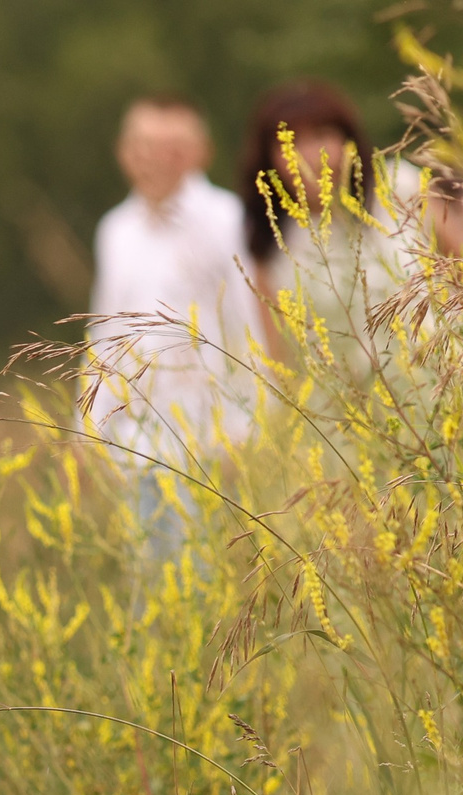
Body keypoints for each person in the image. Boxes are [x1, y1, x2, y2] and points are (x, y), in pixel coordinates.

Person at [87, 95, 261, 575]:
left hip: (210, 446)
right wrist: (90, 425)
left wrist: (243, 433)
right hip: (136, 446)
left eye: (172, 146)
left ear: (200, 152)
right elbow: (104, 329)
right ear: (123, 152)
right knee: (148, 587)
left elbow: (248, 327)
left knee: (209, 589)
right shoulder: (115, 230)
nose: (156, 158)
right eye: (143, 145)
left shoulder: (227, 220)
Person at [239, 80, 405, 356]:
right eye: (288, 143)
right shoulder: (274, 243)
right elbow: (283, 355)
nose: (308, 156)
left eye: (320, 135)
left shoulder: (400, 191)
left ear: (347, 141)